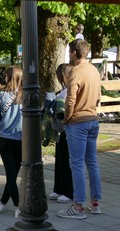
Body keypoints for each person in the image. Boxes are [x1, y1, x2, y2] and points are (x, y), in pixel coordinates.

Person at [57, 39, 102, 220]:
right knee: (92, 163)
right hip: (93, 120)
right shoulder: (93, 70)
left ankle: (78, 206)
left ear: (74, 52)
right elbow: (98, 96)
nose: (69, 55)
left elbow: (70, 101)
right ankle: (95, 202)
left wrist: (67, 120)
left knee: (76, 164)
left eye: (70, 52)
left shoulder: (76, 72)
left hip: (78, 122)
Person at [0, 66, 23, 218]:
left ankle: (18, 206)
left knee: (11, 175)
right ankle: (1, 203)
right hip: (21, 138)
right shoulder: (26, 96)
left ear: (7, 77)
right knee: (13, 175)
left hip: (4, 138)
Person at [48, 63, 74, 204]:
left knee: (66, 160)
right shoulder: (63, 90)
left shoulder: (70, 89)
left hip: (68, 127)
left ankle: (68, 191)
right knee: (59, 159)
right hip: (61, 128)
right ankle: (58, 188)